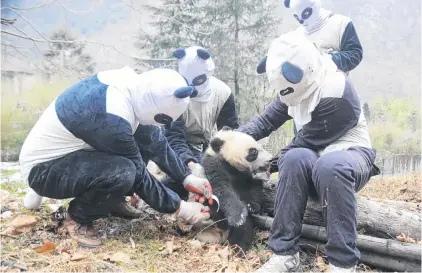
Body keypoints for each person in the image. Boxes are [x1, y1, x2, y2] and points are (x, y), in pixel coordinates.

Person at [19, 66, 212, 248]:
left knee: (136, 151)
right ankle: (78, 218)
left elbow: (155, 142)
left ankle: (110, 201)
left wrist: (187, 177)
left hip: (72, 153)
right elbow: (138, 175)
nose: (161, 125)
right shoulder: (113, 116)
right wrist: (182, 208)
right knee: (124, 172)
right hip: (43, 170)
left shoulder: (135, 89)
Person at [238, 31, 379, 272]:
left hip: (351, 156)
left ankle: (342, 262)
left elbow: (303, 141)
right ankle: (284, 252)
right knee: (293, 159)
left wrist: (260, 165)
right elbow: (264, 122)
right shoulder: (292, 85)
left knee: (329, 166)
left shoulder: (337, 93)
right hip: (313, 156)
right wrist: (231, 143)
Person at [163, 46, 239, 199]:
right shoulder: (175, 94)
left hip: (206, 145)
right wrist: (190, 163)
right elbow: (174, 138)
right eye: (187, 82)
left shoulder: (223, 93)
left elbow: (229, 132)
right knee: (183, 177)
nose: (193, 88)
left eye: (198, 80)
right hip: (177, 148)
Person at [283, 0, 363, 74]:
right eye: (297, 17)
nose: (302, 21)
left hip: (337, 85)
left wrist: (330, 59)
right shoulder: (296, 36)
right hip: (308, 87)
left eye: (305, 14)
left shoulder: (341, 23)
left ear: (314, 6)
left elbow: (355, 53)